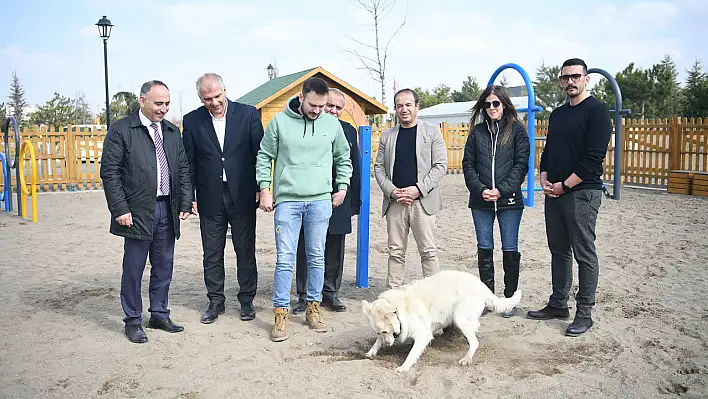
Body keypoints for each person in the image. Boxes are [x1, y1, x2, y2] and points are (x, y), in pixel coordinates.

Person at [256, 77, 353, 342]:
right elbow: (265, 155)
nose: (318, 110)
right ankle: (281, 313)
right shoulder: (279, 122)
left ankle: (313, 308)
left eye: (322, 106)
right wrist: (265, 188)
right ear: (302, 97)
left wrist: (342, 187)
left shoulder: (332, 125)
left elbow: (343, 157)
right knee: (285, 258)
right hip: (287, 200)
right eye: (313, 105)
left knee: (316, 256)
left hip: (320, 200)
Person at [100, 80, 192, 344]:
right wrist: (120, 208)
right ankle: (132, 320)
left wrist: (185, 202)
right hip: (137, 210)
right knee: (134, 268)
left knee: (164, 265)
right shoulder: (121, 130)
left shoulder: (173, 132)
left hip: (167, 208)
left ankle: (159, 313)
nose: (163, 109)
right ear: (142, 101)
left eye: (166, 104)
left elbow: (183, 169)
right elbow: (110, 172)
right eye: (158, 103)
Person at [526, 58, 612, 337]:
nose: (570, 81)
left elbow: (593, 158)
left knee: (584, 253)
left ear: (587, 79)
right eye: (565, 77)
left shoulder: (597, 111)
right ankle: (558, 303)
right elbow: (549, 149)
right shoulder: (558, 114)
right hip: (555, 192)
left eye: (576, 76)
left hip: (582, 193)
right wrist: (544, 176)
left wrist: (565, 185)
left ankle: (584, 313)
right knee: (559, 251)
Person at [182, 73, 264, 324]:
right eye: (208, 98)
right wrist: (190, 196)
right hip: (209, 196)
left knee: (245, 250)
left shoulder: (248, 114)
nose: (214, 102)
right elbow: (189, 163)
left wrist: (262, 188)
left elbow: (260, 154)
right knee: (212, 253)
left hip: (243, 194)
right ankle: (215, 301)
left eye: (217, 96)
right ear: (201, 98)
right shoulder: (192, 120)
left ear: (225, 91)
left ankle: (247, 300)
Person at [462, 85, 530, 318]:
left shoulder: (517, 131)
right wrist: (480, 189)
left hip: (509, 200)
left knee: (510, 248)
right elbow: (467, 165)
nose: (492, 108)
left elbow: (521, 165)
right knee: (484, 248)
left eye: (496, 103)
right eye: (488, 104)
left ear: (504, 105)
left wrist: (501, 190)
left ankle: (509, 298)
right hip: (481, 201)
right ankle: (488, 298)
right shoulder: (477, 132)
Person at [292, 88, 361, 314]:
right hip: (309, 197)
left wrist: (354, 202)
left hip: (339, 198)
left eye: (338, 108)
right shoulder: (307, 126)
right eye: (329, 105)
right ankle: (304, 295)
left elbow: (354, 167)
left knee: (334, 248)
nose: (332, 110)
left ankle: (330, 292)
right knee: (306, 247)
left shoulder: (349, 131)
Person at [373, 88, 448, 288]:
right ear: (395, 109)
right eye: (399, 106)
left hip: (423, 202)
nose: (404, 109)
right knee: (395, 252)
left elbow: (440, 166)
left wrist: (417, 189)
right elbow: (379, 168)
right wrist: (393, 191)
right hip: (395, 203)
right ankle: (393, 296)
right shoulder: (387, 136)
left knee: (428, 252)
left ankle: (434, 297)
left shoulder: (432, 132)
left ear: (417, 106)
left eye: (408, 105)